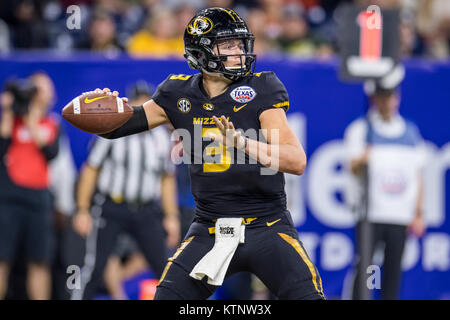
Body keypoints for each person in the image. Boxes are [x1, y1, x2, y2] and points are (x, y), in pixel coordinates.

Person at [80, 7, 325, 300]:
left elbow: (296, 161)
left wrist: (243, 143)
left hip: (267, 226)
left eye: (239, 43)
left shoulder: (261, 88)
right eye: (228, 45)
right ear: (202, 52)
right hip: (210, 228)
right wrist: (98, 109)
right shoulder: (177, 94)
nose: (238, 52)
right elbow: (124, 123)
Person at [70, 81, 180, 300]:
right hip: (112, 206)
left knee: (166, 270)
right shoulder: (112, 131)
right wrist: (82, 209)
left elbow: (167, 179)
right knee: (94, 266)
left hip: (146, 209)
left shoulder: (160, 137)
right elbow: (90, 170)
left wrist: (171, 216)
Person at [344, 77, 427, 300]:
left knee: (393, 271)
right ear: (374, 99)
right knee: (367, 269)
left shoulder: (410, 131)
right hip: (370, 213)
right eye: (382, 97)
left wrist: (418, 213)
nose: (387, 102)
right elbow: (352, 167)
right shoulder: (362, 129)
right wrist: (365, 157)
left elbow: (418, 175)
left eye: (390, 97)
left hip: (399, 215)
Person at [0, 72, 60, 300]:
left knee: (39, 261)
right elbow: (2, 146)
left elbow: (51, 152)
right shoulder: (11, 121)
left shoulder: (51, 123)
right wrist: (7, 110)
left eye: (43, 89)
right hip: (9, 198)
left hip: (38, 200)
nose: (38, 93)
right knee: (2, 259)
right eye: (35, 88)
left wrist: (31, 118)